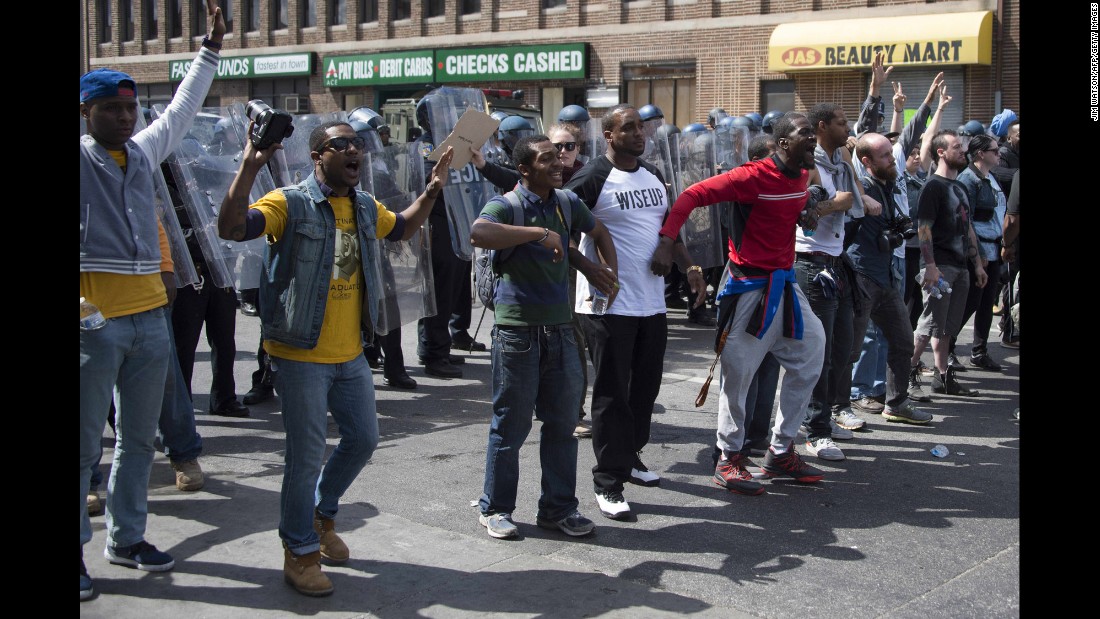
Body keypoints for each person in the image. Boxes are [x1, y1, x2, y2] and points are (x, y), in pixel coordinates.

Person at [217, 120, 454, 596]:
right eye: (341, 144)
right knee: (304, 457)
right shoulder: (288, 202)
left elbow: (403, 228)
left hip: (350, 355)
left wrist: (431, 190)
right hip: (299, 353)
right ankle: (299, 550)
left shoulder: (365, 206)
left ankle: (322, 515)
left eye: (359, 145)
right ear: (317, 156)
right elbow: (234, 226)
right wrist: (249, 165)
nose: (355, 151)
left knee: (363, 440)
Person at [80, 1, 224, 602]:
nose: (122, 117)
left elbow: (182, 108)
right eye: (109, 109)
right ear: (85, 112)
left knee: (139, 441)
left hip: (150, 319)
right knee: (86, 445)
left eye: (128, 108)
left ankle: (127, 538)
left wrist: (210, 50)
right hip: (95, 323)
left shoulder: (142, 152)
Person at [652, 112, 828, 496]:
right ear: (783, 144)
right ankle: (728, 458)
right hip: (748, 287)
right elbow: (690, 195)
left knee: (812, 353)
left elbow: (796, 204)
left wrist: (808, 209)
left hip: (785, 284)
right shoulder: (751, 176)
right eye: (805, 135)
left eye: (813, 134)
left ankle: (780, 451)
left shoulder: (801, 173)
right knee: (739, 376)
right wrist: (668, 241)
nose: (813, 140)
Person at [471, 134, 617, 539]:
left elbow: (600, 231)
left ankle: (557, 509)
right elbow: (479, 232)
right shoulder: (509, 204)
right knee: (511, 426)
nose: (559, 165)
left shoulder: (567, 202)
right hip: (517, 333)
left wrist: (604, 271)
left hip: (561, 331)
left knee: (563, 424)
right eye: (547, 159)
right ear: (523, 170)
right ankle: (495, 509)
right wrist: (537, 234)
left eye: (560, 157)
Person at [566, 105, 706, 520]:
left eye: (641, 127)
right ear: (608, 135)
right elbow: (556, 228)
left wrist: (691, 267)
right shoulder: (591, 178)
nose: (639, 133)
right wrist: (589, 268)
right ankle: (607, 482)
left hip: (651, 303)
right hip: (608, 305)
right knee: (613, 394)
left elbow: (668, 231)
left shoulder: (651, 177)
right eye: (628, 128)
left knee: (645, 389)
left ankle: (629, 457)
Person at [796, 101, 883, 462]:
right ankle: (815, 430)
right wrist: (834, 204)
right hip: (811, 262)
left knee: (844, 346)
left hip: (837, 261)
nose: (849, 129)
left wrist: (848, 164)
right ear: (821, 127)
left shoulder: (839, 162)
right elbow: (802, 214)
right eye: (842, 122)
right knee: (821, 351)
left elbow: (859, 201)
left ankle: (827, 412)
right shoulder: (808, 164)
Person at [847, 133, 934, 424]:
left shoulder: (890, 185)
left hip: (886, 276)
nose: (892, 159)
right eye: (885, 155)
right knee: (851, 348)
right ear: (866, 162)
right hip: (861, 276)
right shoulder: (862, 190)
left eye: (891, 154)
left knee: (902, 340)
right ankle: (839, 405)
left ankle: (896, 404)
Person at [908, 130, 987, 397]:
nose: (963, 152)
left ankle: (942, 377)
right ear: (941, 152)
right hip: (938, 266)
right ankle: (908, 374)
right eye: (957, 147)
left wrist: (976, 263)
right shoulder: (933, 186)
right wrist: (929, 265)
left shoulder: (960, 187)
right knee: (928, 324)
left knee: (947, 328)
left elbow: (968, 227)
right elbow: (924, 229)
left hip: (961, 266)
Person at [413, 97, 471, 378]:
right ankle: (433, 353)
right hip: (435, 220)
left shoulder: (450, 143)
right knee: (438, 287)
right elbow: (427, 177)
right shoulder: (426, 145)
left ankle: (443, 346)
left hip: (455, 217)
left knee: (453, 287)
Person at [950, 134, 1007, 371]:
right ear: (981, 153)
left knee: (985, 303)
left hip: (994, 248)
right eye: (994, 150)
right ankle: (948, 346)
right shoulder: (968, 179)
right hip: (979, 251)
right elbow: (967, 220)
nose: (999, 154)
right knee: (969, 302)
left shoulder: (989, 177)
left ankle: (979, 351)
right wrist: (978, 255)